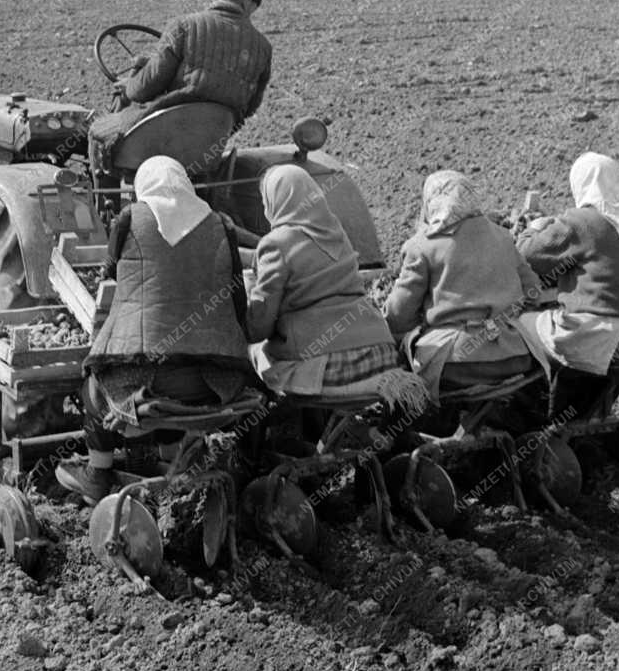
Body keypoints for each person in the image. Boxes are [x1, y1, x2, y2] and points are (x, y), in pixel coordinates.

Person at [56, 156, 252, 505]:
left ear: (143, 187)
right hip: (216, 385)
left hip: (149, 375)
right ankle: (168, 457)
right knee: (166, 387)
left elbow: (110, 277)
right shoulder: (222, 224)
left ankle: (98, 473)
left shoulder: (131, 218)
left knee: (92, 385)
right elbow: (238, 296)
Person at [246, 165, 415, 402]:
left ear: (275, 201)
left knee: (255, 352)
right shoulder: (337, 234)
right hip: (379, 355)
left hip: (331, 369)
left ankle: (277, 429)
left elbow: (259, 327)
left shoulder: (275, 244)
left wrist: (251, 285)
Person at [88, 0, 273, 178]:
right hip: (207, 147)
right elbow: (250, 108)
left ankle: (105, 206)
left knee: (97, 133)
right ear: (249, 1)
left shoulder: (184, 26)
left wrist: (129, 85)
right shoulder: (263, 47)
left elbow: (145, 88)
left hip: (158, 142)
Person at [384, 170, 545, 396]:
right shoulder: (503, 236)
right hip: (515, 354)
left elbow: (398, 313)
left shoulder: (421, 246)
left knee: (401, 362)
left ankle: (401, 425)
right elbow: (533, 292)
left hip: (456, 362)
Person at [516, 151, 619, 381]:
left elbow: (527, 255)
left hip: (606, 340)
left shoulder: (581, 222)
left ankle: (538, 405)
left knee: (520, 324)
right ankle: (586, 406)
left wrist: (535, 227)